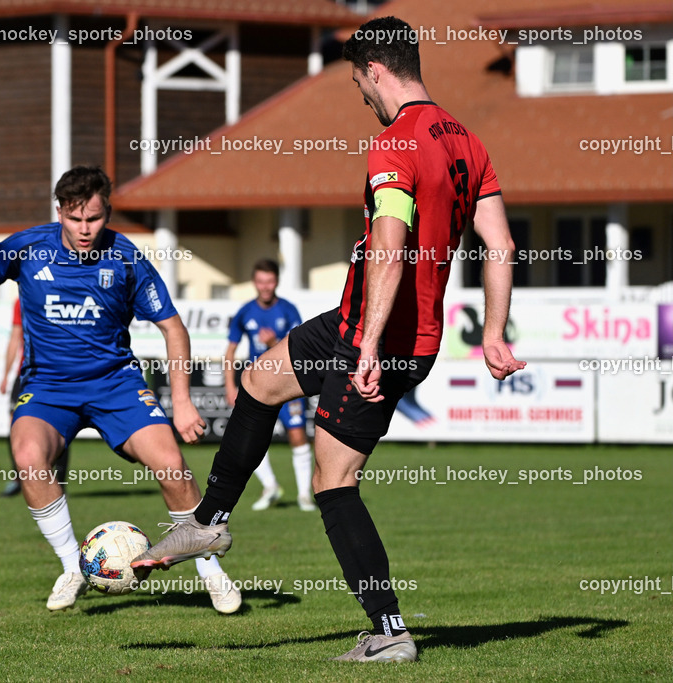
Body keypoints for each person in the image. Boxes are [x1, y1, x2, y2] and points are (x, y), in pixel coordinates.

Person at [133, 16, 526, 662]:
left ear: (376, 70)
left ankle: (389, 628)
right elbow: (502, 245)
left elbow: (392, 249)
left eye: (358, 86)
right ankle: (208, 523)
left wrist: (368, 347)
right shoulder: (467, 140)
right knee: (261, 378)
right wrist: (491, 333)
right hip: (356, 322)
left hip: (378, 336)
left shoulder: (396, 143)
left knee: (334, 480)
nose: (363, 99)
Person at [0, 165, 242, 613]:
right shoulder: (28, 247)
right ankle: (74, 566)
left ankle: (210, 571)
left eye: (94, 218)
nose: (85, 229)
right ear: (60, 213)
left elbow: (173, 327)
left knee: (171, 464)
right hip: (49, 388)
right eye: (75, 219)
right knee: (29, 457)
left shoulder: (126, 257)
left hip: (116, 385)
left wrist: (182, 402)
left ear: (107, 211)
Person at [225, 258, 314, 511]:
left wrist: (275, 341)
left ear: (276, 282)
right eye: (261, 281)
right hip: (257, 387)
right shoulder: (245, 311)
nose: (265, 286)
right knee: (249, 438)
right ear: (255, 282)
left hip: (288, 384)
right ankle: (271, 485)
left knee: (297, 435)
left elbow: (300, 348)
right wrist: (230, 387)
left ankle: (305, 495)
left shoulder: (288, 310)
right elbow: (230, 351)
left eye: (270, 281)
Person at [0, 299, 69, 497]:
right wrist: (5, 374)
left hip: (56, 373)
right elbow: (15, 337)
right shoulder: (21, 302)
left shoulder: (61, 296)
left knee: (61, 426)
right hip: (26, 374)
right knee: (15, 422)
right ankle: (19, 478)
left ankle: (59, 480)